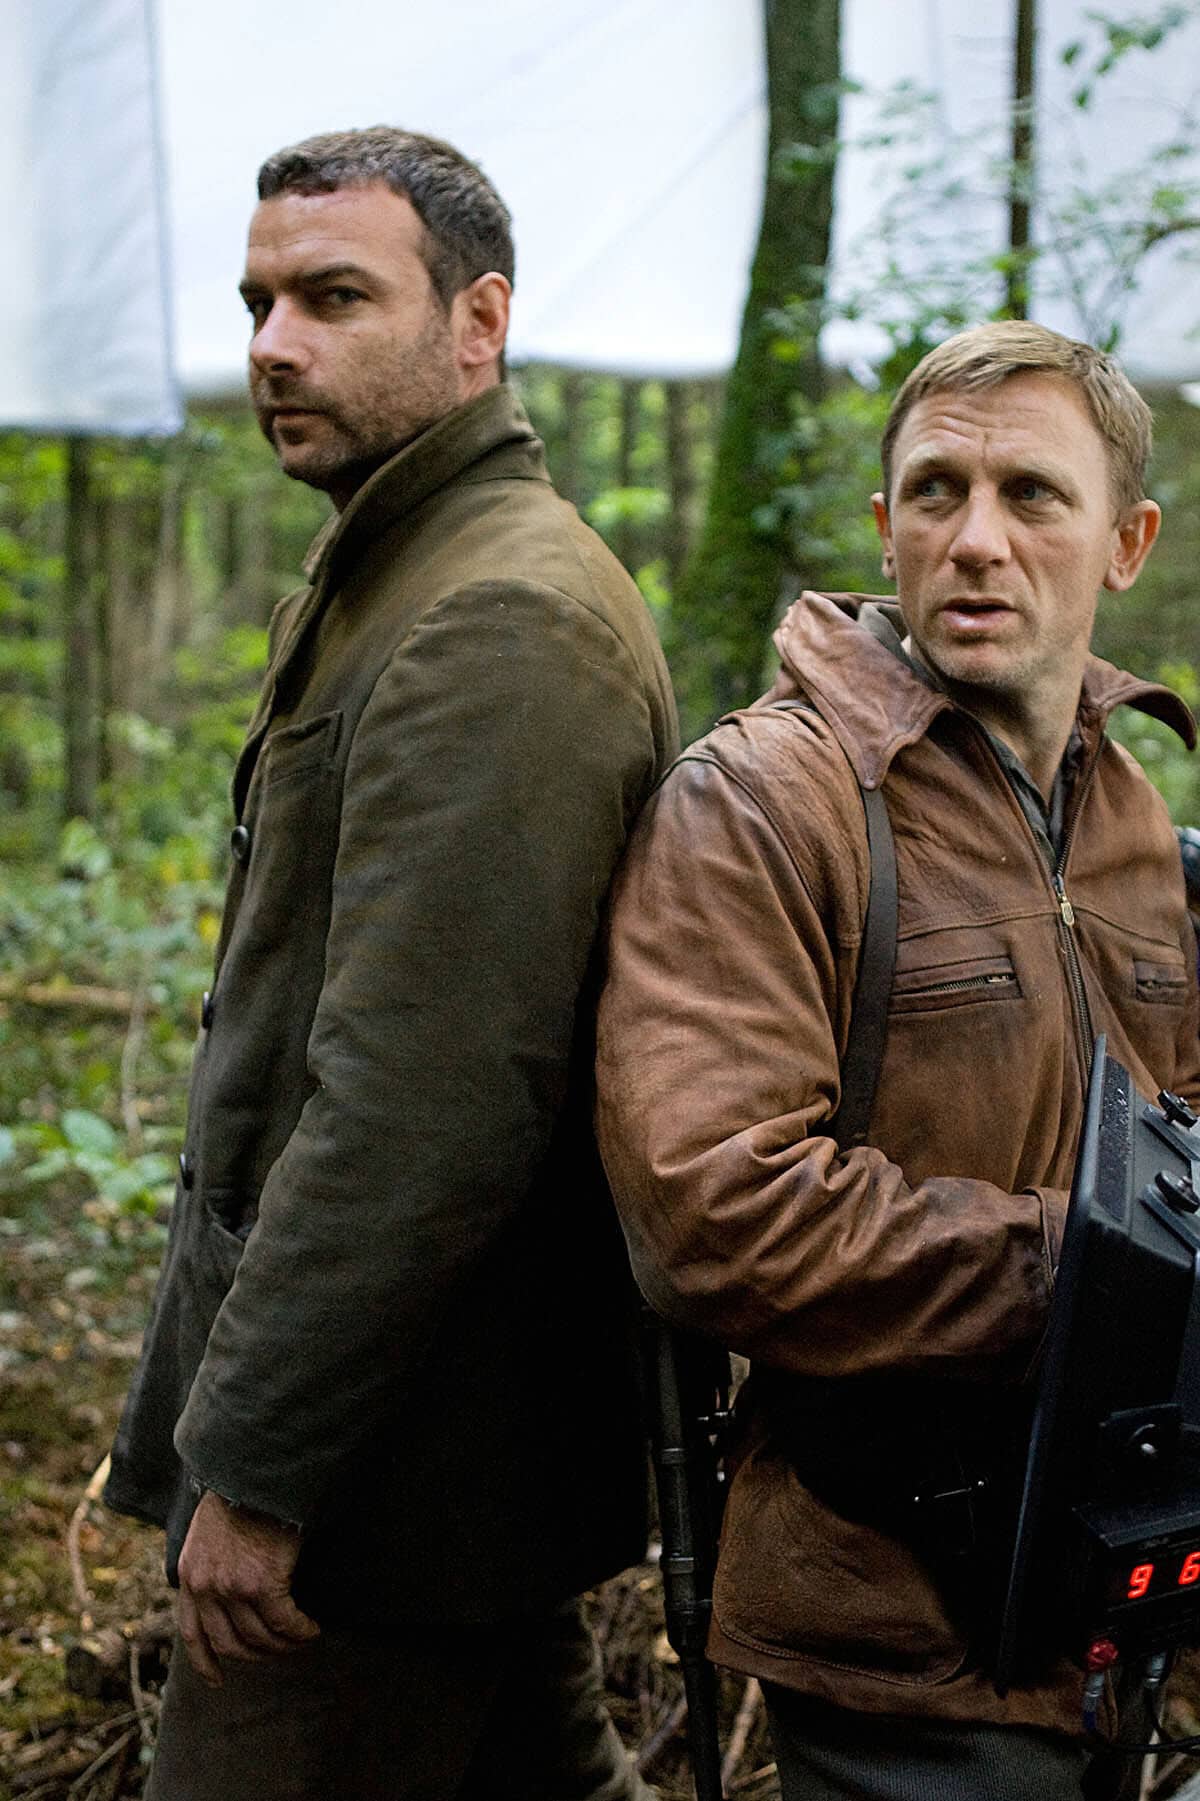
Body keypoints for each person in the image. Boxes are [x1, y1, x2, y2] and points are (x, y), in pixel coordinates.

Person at [104, 126, 677, 1801]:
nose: (275, 345)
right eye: (260, 302)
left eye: (335, 298)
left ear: (478, 323)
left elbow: (420, 1105)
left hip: (386, 1484)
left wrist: (261, 1465)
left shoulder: (499, 618)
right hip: (432, 1458)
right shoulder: (397, 568)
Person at [595, 321, 1200, 1801]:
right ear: (886, 526)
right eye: (937, 492)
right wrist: (1090, 1271)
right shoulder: (767, 801)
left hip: (1124, 1588)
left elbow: (1172, 1126)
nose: (976, 539)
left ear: (1126, 543)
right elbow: (715, 1211)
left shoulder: (1131, 809)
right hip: (898, 1620)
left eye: (1031, 495)